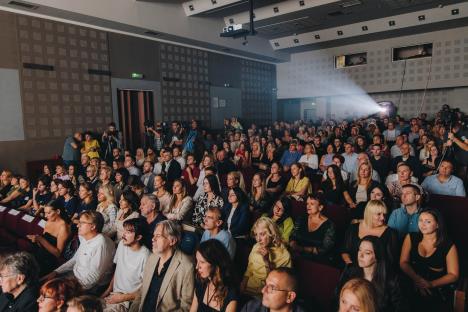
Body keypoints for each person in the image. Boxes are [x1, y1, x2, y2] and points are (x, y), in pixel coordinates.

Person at [400, 209, 459, 312]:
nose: (423, 224)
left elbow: (453, 275)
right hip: (412, 280)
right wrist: (417, 279)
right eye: (420, 220)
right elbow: (403, 262)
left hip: (437, 287)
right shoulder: (411, 237)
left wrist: (431, 284)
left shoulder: (447, 245)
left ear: (437, 225)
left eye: (428, 221)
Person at [130, 220, 195, 312]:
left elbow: (186, 307)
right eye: (153, 235)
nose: (153, 239)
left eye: (158, 236)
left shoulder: (187, 267)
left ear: (172, 241)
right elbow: (142, 292)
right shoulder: (152, 258)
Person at [43, 211, 115, 293]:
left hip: (89, 287)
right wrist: (56, 272)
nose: (78, 225)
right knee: (44, 281)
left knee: (51, 291)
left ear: (93, 226)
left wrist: (70, 287)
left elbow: (94, 278)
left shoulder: (101, 244)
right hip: (75, 277)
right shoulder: (85, 237)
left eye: (82, 223)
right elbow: (75, 259)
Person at [336, 236, 408, 312]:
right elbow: (337, 297)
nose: (360, 256)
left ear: (377, 256)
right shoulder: (349, 271)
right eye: (359, 250)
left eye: (367, 253)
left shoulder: (392, 280)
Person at [101, 218, 151, 312]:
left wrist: (122, 298)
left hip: (127, 300)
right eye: (124, 230)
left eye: (128, 232)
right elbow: (118, 270)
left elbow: (145, 288)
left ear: (138, 237)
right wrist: (107, 291)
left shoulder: (146, 256)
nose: (123, 234)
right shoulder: (122, 244)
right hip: (114, 295)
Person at [242, 217, 292, 297]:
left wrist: (267, 261)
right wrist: (242, 285)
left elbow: (278, 283)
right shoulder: (256, 246)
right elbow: (249, 268)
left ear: (272, 233)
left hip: (266, 293)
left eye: (262, 234)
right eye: (256, 234)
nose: (258, 239)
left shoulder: (284, 255)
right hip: (249, 288)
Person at [342, 200, 398, 266]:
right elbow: (345, 250)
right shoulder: (353, 228)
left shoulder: (390, 233)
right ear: (369, 214)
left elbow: (391, 260)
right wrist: (350, 263)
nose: (383, 218)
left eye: (384, 214)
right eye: (379, 214)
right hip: (353, 267)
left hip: (377, 271)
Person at [190, 240, 238, 312]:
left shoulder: (230, 293)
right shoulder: (200, 283)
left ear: (215, 264)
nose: (197, 267)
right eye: (197, 261)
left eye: (202, 262)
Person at [27, 200, 72, 276]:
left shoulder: (63, 227)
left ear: (57, 211)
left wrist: (41, 239)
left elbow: (58, 254)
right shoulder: (49, 221)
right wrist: (36, 240)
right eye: (45, 213)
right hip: (40, 253)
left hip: (48, 261)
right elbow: (43, 243)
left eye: (49, 213)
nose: (45, 216)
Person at [290, 195, 336, 263]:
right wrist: (293, 243)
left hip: (316, 260)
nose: (308, 206)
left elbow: (325, 249)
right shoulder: (301, 218)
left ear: (320, 207)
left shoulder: (330, 225)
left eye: (312, 204)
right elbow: (293, 235)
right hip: (296, 255)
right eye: (307, 203)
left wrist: (303, 249)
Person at [241, 268, 305, 312]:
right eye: (265, 284)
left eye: (272, 287)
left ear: (290, 297)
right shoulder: (251, 307)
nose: (263, 290)